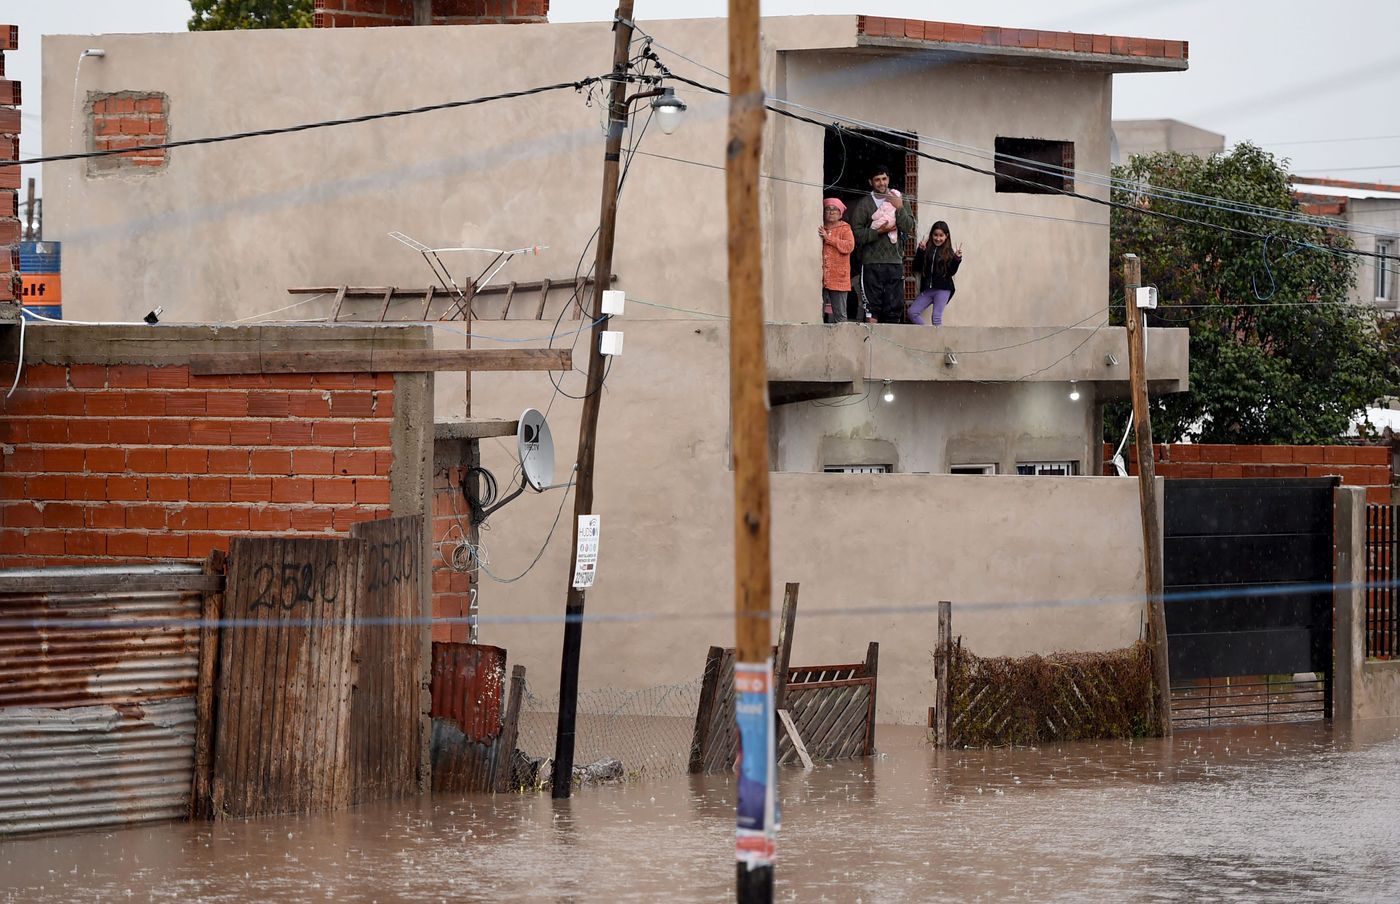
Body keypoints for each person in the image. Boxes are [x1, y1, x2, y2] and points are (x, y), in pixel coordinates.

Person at [849, 166, 915, 324]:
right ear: (870, 182)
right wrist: (879, 231)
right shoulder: (864, 204)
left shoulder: (900, 198)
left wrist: (899, 207)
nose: (881, 183)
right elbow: (856, 234)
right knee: (872, 309)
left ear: (888, 179)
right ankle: (872, 347)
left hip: (895, 262)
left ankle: (889, 347)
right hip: (871, 263)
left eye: (884, 179)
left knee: (894, 308)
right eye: (877, 180)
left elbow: (909, 226)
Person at [909, 220, 963, 326]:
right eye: (935, 235)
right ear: (931, 235)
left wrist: (957, 259)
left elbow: (951, 271)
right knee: (912, 312)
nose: (938, 238)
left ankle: (939, 342)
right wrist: (921, 251)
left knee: (936, 318)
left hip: (943, 289)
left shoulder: (949, 252)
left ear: (946, 236)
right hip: (928, 289)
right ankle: (928, 335)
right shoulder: (927, 249)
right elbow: (917, 267)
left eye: (941, 235)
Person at [818, 197, 856, 323]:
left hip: (839, 277)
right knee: (818, 313)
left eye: (835, 209)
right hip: (821, 277)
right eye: (828, 209)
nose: (831, 212)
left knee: (840, 314)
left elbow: (849, 246)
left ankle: (842, 341)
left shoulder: (845, 228)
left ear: (840, 213)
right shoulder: (820, 226)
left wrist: (828, 238)